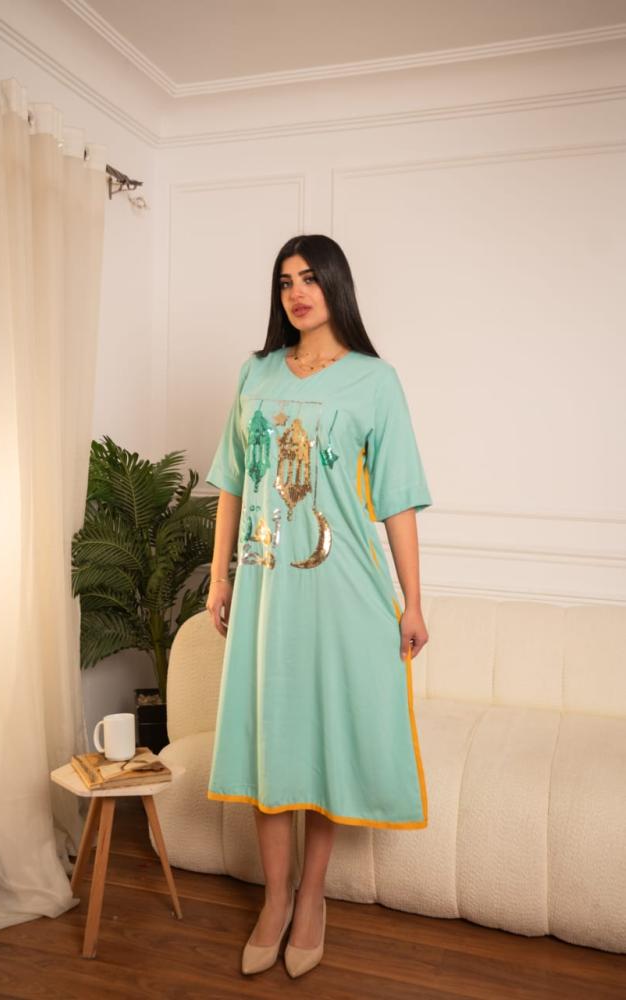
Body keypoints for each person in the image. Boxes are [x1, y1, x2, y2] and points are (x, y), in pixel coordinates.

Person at [204, 233, 432, 978]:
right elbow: (232, 481)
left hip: (344, 589)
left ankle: (311, 898)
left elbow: (397, 499)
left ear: (336, 284)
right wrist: (219, 576)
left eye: (310, 278)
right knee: (271, 734)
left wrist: (412, 602)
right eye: (285, 281)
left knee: (325, 737)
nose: (297, 292)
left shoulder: (375, 380)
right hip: (267, 585)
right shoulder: (256, 371)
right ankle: (274, 900)